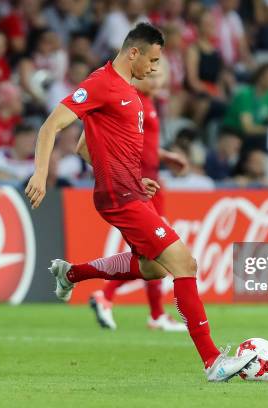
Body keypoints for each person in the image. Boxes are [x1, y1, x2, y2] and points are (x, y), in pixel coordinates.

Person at [25, 23, 256, 382]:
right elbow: (51, 126)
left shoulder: (127, 92)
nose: (154, 68)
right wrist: (40, 173)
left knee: (152, 268)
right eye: (152, 59)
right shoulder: (101, 84)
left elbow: (84, 147)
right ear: (133, 52)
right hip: (120, 198)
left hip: (129, 190)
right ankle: (212, 361)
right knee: (185, 264)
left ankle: (72, 273)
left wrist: (132, 176)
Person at [89, 66, 188, 332]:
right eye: (153, 75)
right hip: (139, 185)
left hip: (152, 183)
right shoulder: (132, 102)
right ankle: (107, 295)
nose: (157, 81)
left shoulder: (149, 102)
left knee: (152, 252)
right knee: (157, 251)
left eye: (161, 75)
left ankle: (154, 313)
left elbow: (145, 143)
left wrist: (165, 156)